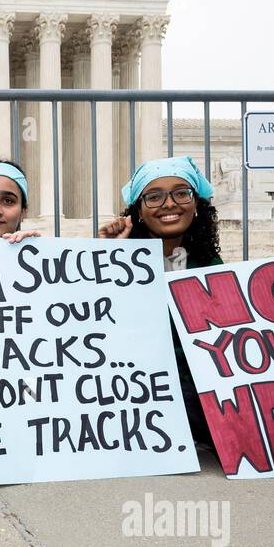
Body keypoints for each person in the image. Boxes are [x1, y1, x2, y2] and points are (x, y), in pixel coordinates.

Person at [99, 156, 222, 448]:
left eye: (181, 193)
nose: (169, 204)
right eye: (154, 197)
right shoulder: (114, 261)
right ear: (138, 211)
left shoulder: (214, 267)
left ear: (196, 206)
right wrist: (103, 256)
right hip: (133, 395)